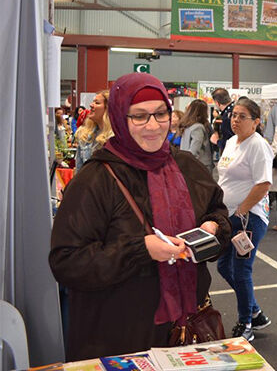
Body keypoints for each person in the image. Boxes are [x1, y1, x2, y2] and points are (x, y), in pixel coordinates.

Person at [49, 73, 230, 360]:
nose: (153, 125)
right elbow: (67, 262)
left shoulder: (186, 166)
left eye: (160, 114)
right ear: (120, 118)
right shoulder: (95, 180)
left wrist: (213, 228)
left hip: (187, 332)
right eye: (139, 116)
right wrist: (141, 250)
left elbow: (217, 213)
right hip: (118, 339)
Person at [215, 97, 273, 342]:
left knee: (241, 270)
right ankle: (255, 312)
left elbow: (264, 183)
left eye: (242, 116)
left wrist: (241, 211)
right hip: (229, 216)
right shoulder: (231, 142)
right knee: (223, 266)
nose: (235, 120)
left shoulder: (258, 145)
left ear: (256, 122)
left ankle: (246, 323)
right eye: (234, 115)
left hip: (249, 218)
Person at [74, 89, 112, 171]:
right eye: (93, 102)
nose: (91, 105)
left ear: (108, 109)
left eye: (97, 103)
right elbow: (79, 170)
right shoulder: (85, 136)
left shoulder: (115, 139)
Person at [179, 99, 215, 173]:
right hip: (199, 166)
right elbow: (194, 151)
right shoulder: (198, 127)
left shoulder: (186, 126)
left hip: (187, 164)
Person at [210, 87, 234, 156]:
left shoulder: (227, 116)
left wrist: (217, 141)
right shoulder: (233, 110)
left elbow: (231, 140)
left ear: (217, 103)